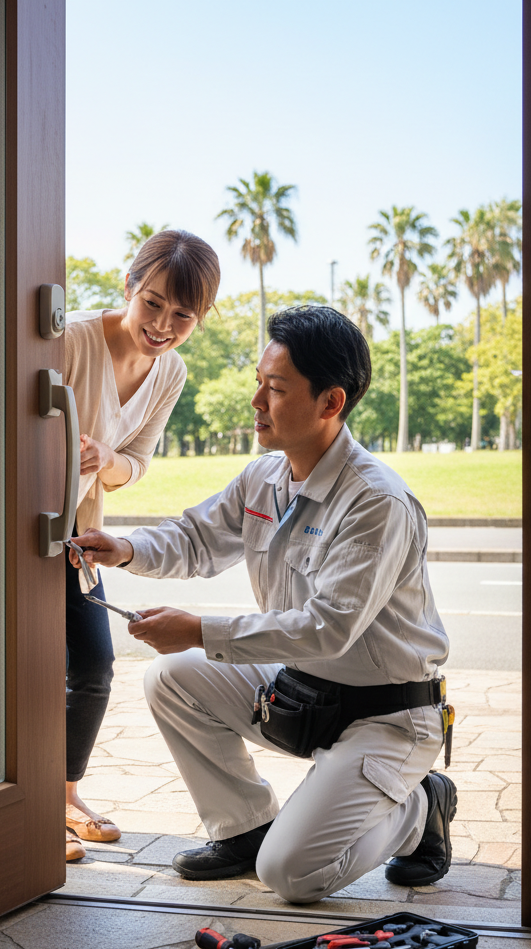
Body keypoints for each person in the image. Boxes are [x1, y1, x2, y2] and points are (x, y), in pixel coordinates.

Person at [70, 304, 456, 903]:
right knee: (171, 676)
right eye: (259, 382)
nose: (256, 402)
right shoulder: (265, 478)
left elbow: (327, 629)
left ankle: (420, 808)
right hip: (302, 690)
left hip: (385, 714)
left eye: (275, 389)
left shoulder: (376, 502)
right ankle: (246, 827)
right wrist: (119, 548)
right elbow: (196, 539)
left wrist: (200, 629)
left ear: (331, 403)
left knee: (293, 876)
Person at [62, 230, 221, 863]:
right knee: (21, 669)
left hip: (77, 532)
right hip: (17, 527)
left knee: (93, 667)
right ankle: (22, 808)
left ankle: (62, 796)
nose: (163, 324)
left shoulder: (171, 371)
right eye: (152, 303)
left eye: (183, 315)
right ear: (129, 287)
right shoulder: (69, 340)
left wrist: (105, 460)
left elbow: (137, 462)